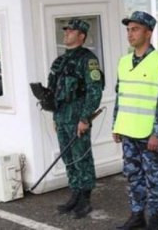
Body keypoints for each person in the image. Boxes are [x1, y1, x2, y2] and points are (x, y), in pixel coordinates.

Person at [112, 11, 158, 230]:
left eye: (135, 29)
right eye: (128, 30)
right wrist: (116, 125)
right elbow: (120, 96)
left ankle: (155, 221)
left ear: (148, 32)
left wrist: (157, 133)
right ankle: (137, 216)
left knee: (154, 178)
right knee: (133, 176)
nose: (130, 34)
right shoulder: (123, 62)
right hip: (128, 130)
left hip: (149, 134)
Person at [47, 18, 103, 218]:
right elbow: (53, 91)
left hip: (78, 117)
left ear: (81, 36)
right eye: (66, 30)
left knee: (81, 157)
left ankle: (85, 199)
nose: (66, 33)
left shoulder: (88, 60)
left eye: (71, 31)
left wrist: (85, 118)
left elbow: (94, 91)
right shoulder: (60, 61)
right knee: (68, 158)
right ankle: (75, 193)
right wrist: (55, 116)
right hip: (62, 117)